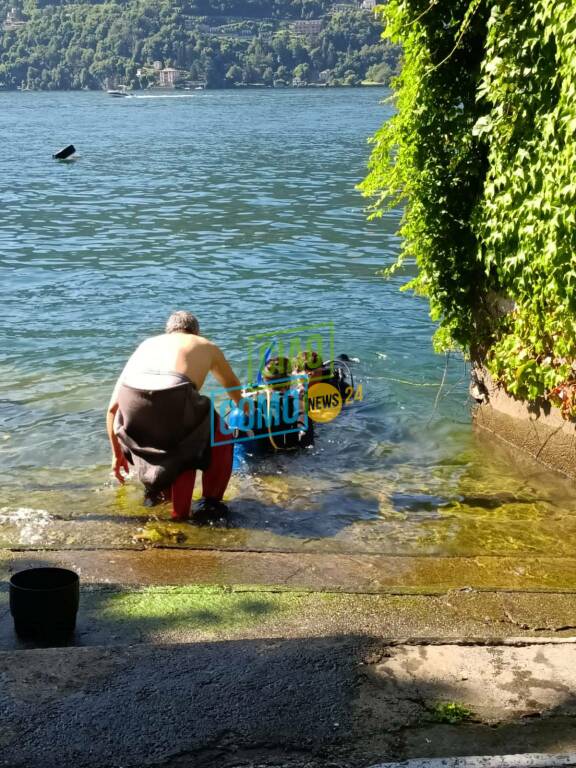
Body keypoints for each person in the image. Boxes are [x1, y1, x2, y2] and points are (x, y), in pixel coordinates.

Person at [106, 310, 243, 522]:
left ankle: (156, 493)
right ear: (196, 332)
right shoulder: (204, 344)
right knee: (220, 434)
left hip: (132, 398)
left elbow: (112, 409)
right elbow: (232, 386)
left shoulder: (146, 345)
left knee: (166, 435)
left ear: (168, 332)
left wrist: (117, 455)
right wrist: (246, 410)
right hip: (175, 393)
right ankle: (210, 504)